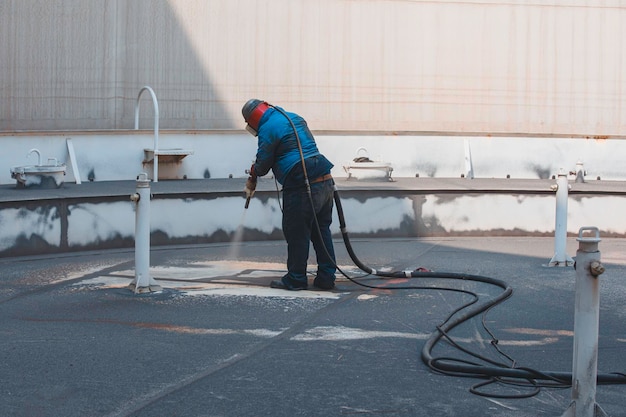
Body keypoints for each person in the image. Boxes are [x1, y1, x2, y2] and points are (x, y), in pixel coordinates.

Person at [241, 99, 336, 291]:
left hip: (302, 184)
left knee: (296, 231)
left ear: (253, 120)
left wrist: (253, 170)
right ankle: (327, 278)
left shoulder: (267, 128)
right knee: (321, 231)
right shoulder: (294, 117)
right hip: (325, 180)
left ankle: (296, 278)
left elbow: (263, 164)